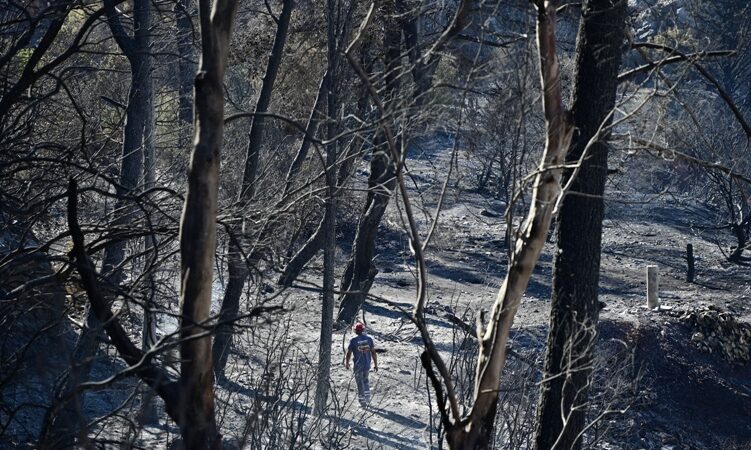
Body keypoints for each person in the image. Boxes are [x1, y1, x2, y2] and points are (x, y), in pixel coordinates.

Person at [344, 322, 378, 407]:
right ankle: (367, 398)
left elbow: (349, 353)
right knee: (366, 381)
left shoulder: (353, 340)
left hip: (358, 366)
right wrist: (375, 364)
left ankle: (362, 402)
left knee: (359, 383)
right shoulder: (369, 339)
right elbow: (373, 352)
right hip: (367, 364)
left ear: (355, 330)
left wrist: (347, 363)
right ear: (363, 330)